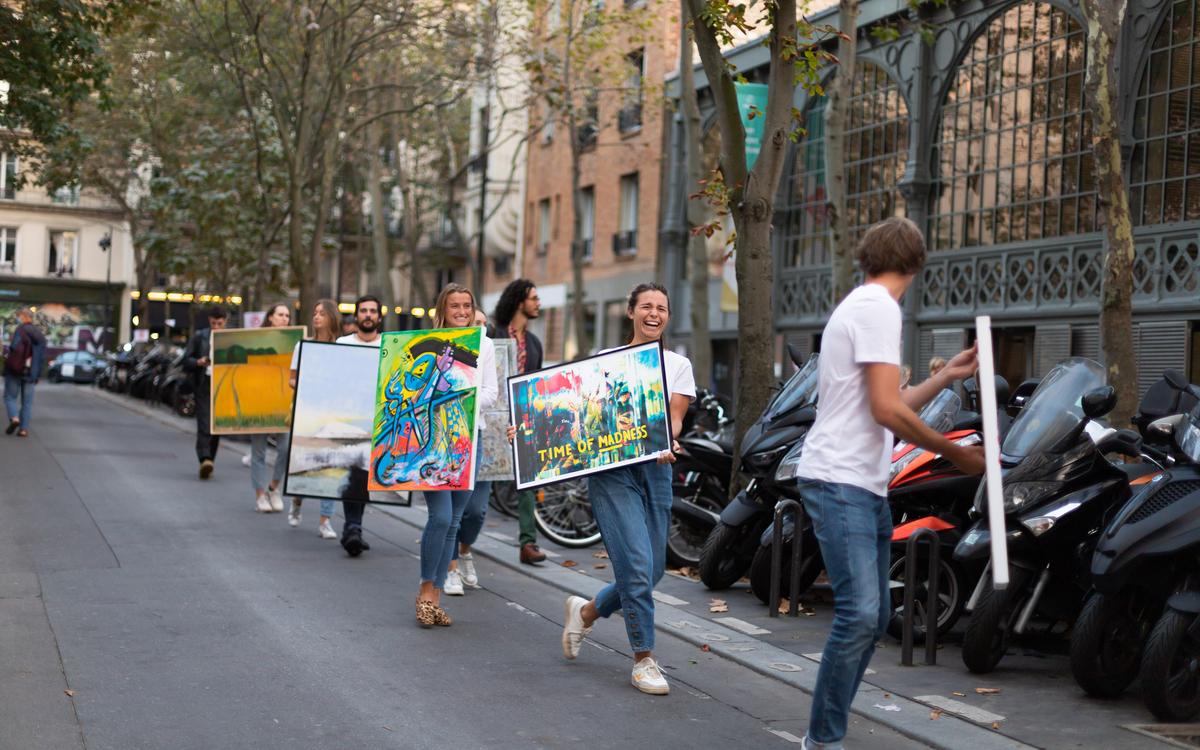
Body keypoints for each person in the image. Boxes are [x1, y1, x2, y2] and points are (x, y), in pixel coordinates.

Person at [792, 217, 985, 750]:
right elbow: (884, 409)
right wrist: (955, 453)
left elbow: (887, 402)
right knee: (859, 617)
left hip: (859, 482)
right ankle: (822, 740)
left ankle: (823, 735)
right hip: (842, 480)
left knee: (873, 620)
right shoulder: (879, 309)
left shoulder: (861, 303)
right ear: (918, 263)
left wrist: (946, 378)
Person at [552, 282, 695, 695]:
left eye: (662, 308)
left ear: (668, 316)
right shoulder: (604, 361)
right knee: (635, 566)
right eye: (646, 306)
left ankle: (587, 612)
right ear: (630, 312)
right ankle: (643, 659)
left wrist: (668, 441)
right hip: (612, 471)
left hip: (656, 470)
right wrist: (525, 435)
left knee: (650, 573)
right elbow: (580, 415)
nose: (654, 313)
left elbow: (675, 418)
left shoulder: (678, 365)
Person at [415, 283, 498, 622]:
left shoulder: (485, 344)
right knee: (442, 517)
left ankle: (434, 600)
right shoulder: (425, 343)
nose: (462, 311)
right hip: (433, 440)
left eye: (467, 305)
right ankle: (424, 591)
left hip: (469, 440)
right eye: (454, 306)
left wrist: (463, 395)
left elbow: (491, 394)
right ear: (443, 310)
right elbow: (415, 388)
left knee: (455, 522)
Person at [492, 279, 547, 564]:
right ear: (519, 302)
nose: (539, 303)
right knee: (477, 490)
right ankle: (461, 544)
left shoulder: (534, 343)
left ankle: (528, 543)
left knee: (528, 479)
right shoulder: (493, 334)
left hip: (522, 422)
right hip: (490, 421)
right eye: (534, 298)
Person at [288, 299, 345, 539]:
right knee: (305, 464)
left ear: (332, 317)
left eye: (322, 313)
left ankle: (325, 520)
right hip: (308, 412)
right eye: (315, 313)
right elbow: (291, 379)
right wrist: (307, 386)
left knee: (331, 466)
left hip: (334, 415)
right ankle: (297, 502)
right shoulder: (304, 346)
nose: (316, 317)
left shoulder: (343, 347)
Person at [334, 294, 383, 556]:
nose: (367, 315)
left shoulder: (388, 346)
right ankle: (353, 527)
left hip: (379, 421)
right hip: (349, 419)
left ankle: (353, 528)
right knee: (353, 471)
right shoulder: (342, 343)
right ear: (355, 316)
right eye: (363, 310)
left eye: (372, 311)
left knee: (365, 474)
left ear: (379, 317)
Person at [247, 303, 293, 513]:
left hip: (284, 405)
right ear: (271, 317)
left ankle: (273, 488)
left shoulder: (292, 343)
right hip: (260, 403)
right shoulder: (257, 342)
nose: (285, 318)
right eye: (281, 315)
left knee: (284, 449)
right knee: (258, 452)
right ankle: (259, 496)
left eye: (287, 316)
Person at [182, 306, 228, 479]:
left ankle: (209, 461)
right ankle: (205, 458)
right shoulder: (200, 336)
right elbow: (186, 359)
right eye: (213, 323)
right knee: (204, 423)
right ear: (209, 320)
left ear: (225, 322)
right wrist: (199, 363)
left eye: (219, 323)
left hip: (222, 385)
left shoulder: (230, 337)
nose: (216, 326)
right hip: (204, 383)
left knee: (217, 425)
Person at [3, 307, 47, 437]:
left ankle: (14, 419)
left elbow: (14, 348)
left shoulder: (20, 330)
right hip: (31, 372)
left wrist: (11, 341)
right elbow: (42, 356)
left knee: (9, 397)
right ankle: (23, 430)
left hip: (16, 370)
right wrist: (38, 374)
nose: (18, 318)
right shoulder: (40, 334)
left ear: (23, 316)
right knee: (27, 402)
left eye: (19, 315)